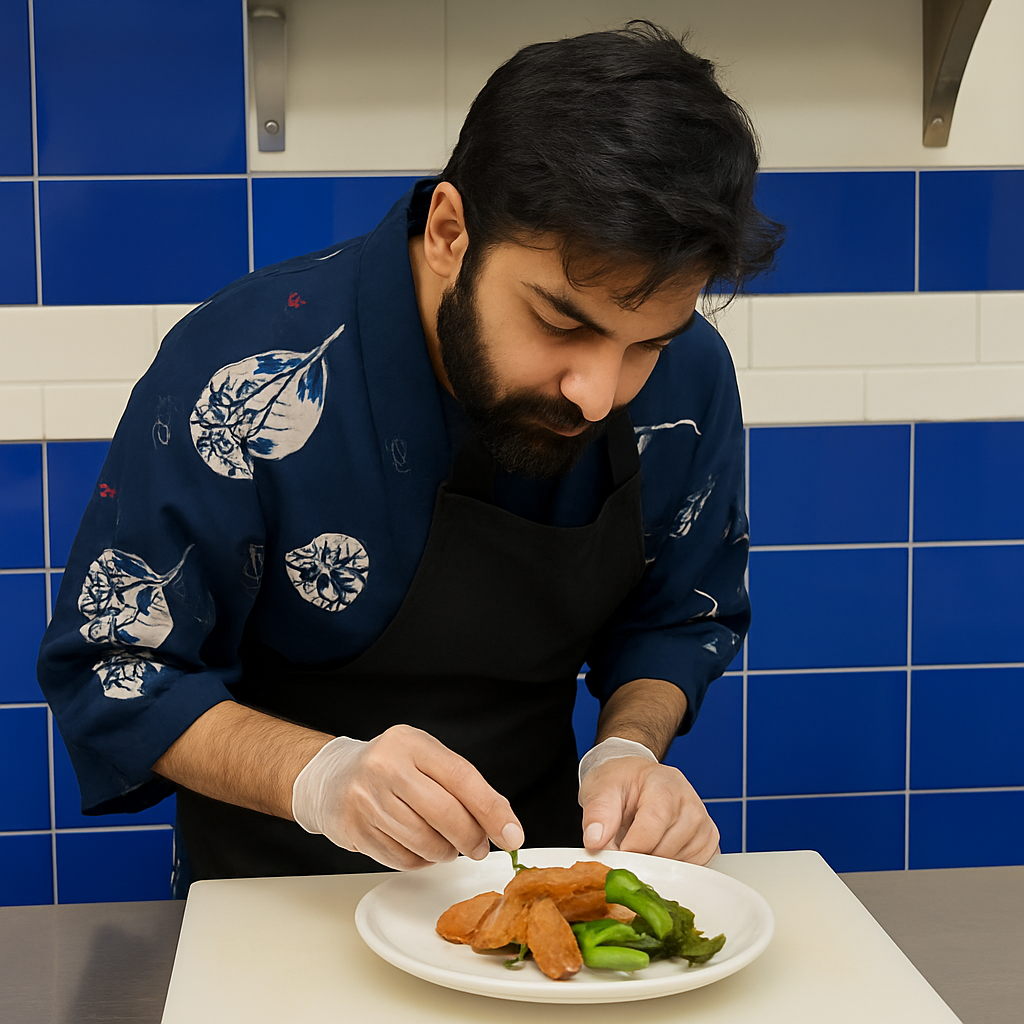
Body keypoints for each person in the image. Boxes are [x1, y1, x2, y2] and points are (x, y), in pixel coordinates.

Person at [37, 22, 781, 896]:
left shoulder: (685, 378)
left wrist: (627, 747)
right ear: (450, 232)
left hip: (525, 890)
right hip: (272, 893)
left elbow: (679, 615)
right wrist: (322, 779)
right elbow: (113, 666)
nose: (596, 391)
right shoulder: (246, 375)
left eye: (645, 342)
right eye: (561, 323)